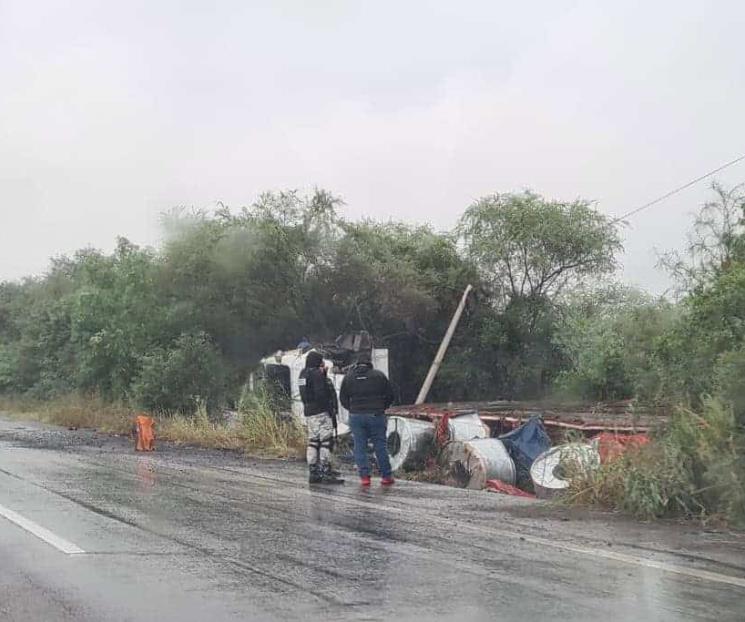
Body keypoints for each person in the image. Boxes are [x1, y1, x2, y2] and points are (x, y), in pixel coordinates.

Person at [339, 352, 395, 487]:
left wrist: (352, 409)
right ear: (370, 363)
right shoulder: (379, 376)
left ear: (357, 363)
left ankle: (365, 477)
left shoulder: (349, 377)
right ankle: (386, 476)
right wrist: (382, 407)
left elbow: (343, 398)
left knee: (359, 446)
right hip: (376, 414)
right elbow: (390, 395)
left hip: (356, 416)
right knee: (380, 446)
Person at [299, 351, 344, 485]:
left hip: (309, 411)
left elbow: (306, 392)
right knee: (325, 441)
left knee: (313, 441)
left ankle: (313, 472)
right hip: (321, 412)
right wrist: (329, 409)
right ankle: (325, 470)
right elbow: (320, 393)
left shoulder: (303, 374)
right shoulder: (316, 374)